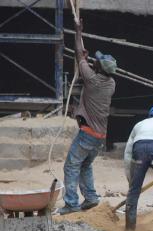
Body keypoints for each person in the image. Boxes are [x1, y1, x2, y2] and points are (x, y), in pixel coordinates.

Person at [59, 19, 117, 215]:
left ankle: (72, 203)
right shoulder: (111, 83)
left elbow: (78, 54)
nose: (94, 60)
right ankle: (91, 198)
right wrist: (87, 59)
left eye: (97, 62)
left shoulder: (91, 80)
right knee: (85, 165)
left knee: (71, 166)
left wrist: (77, 32)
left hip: (88, 134)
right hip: (100, 136)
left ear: (98, 68)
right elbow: (85, 61)